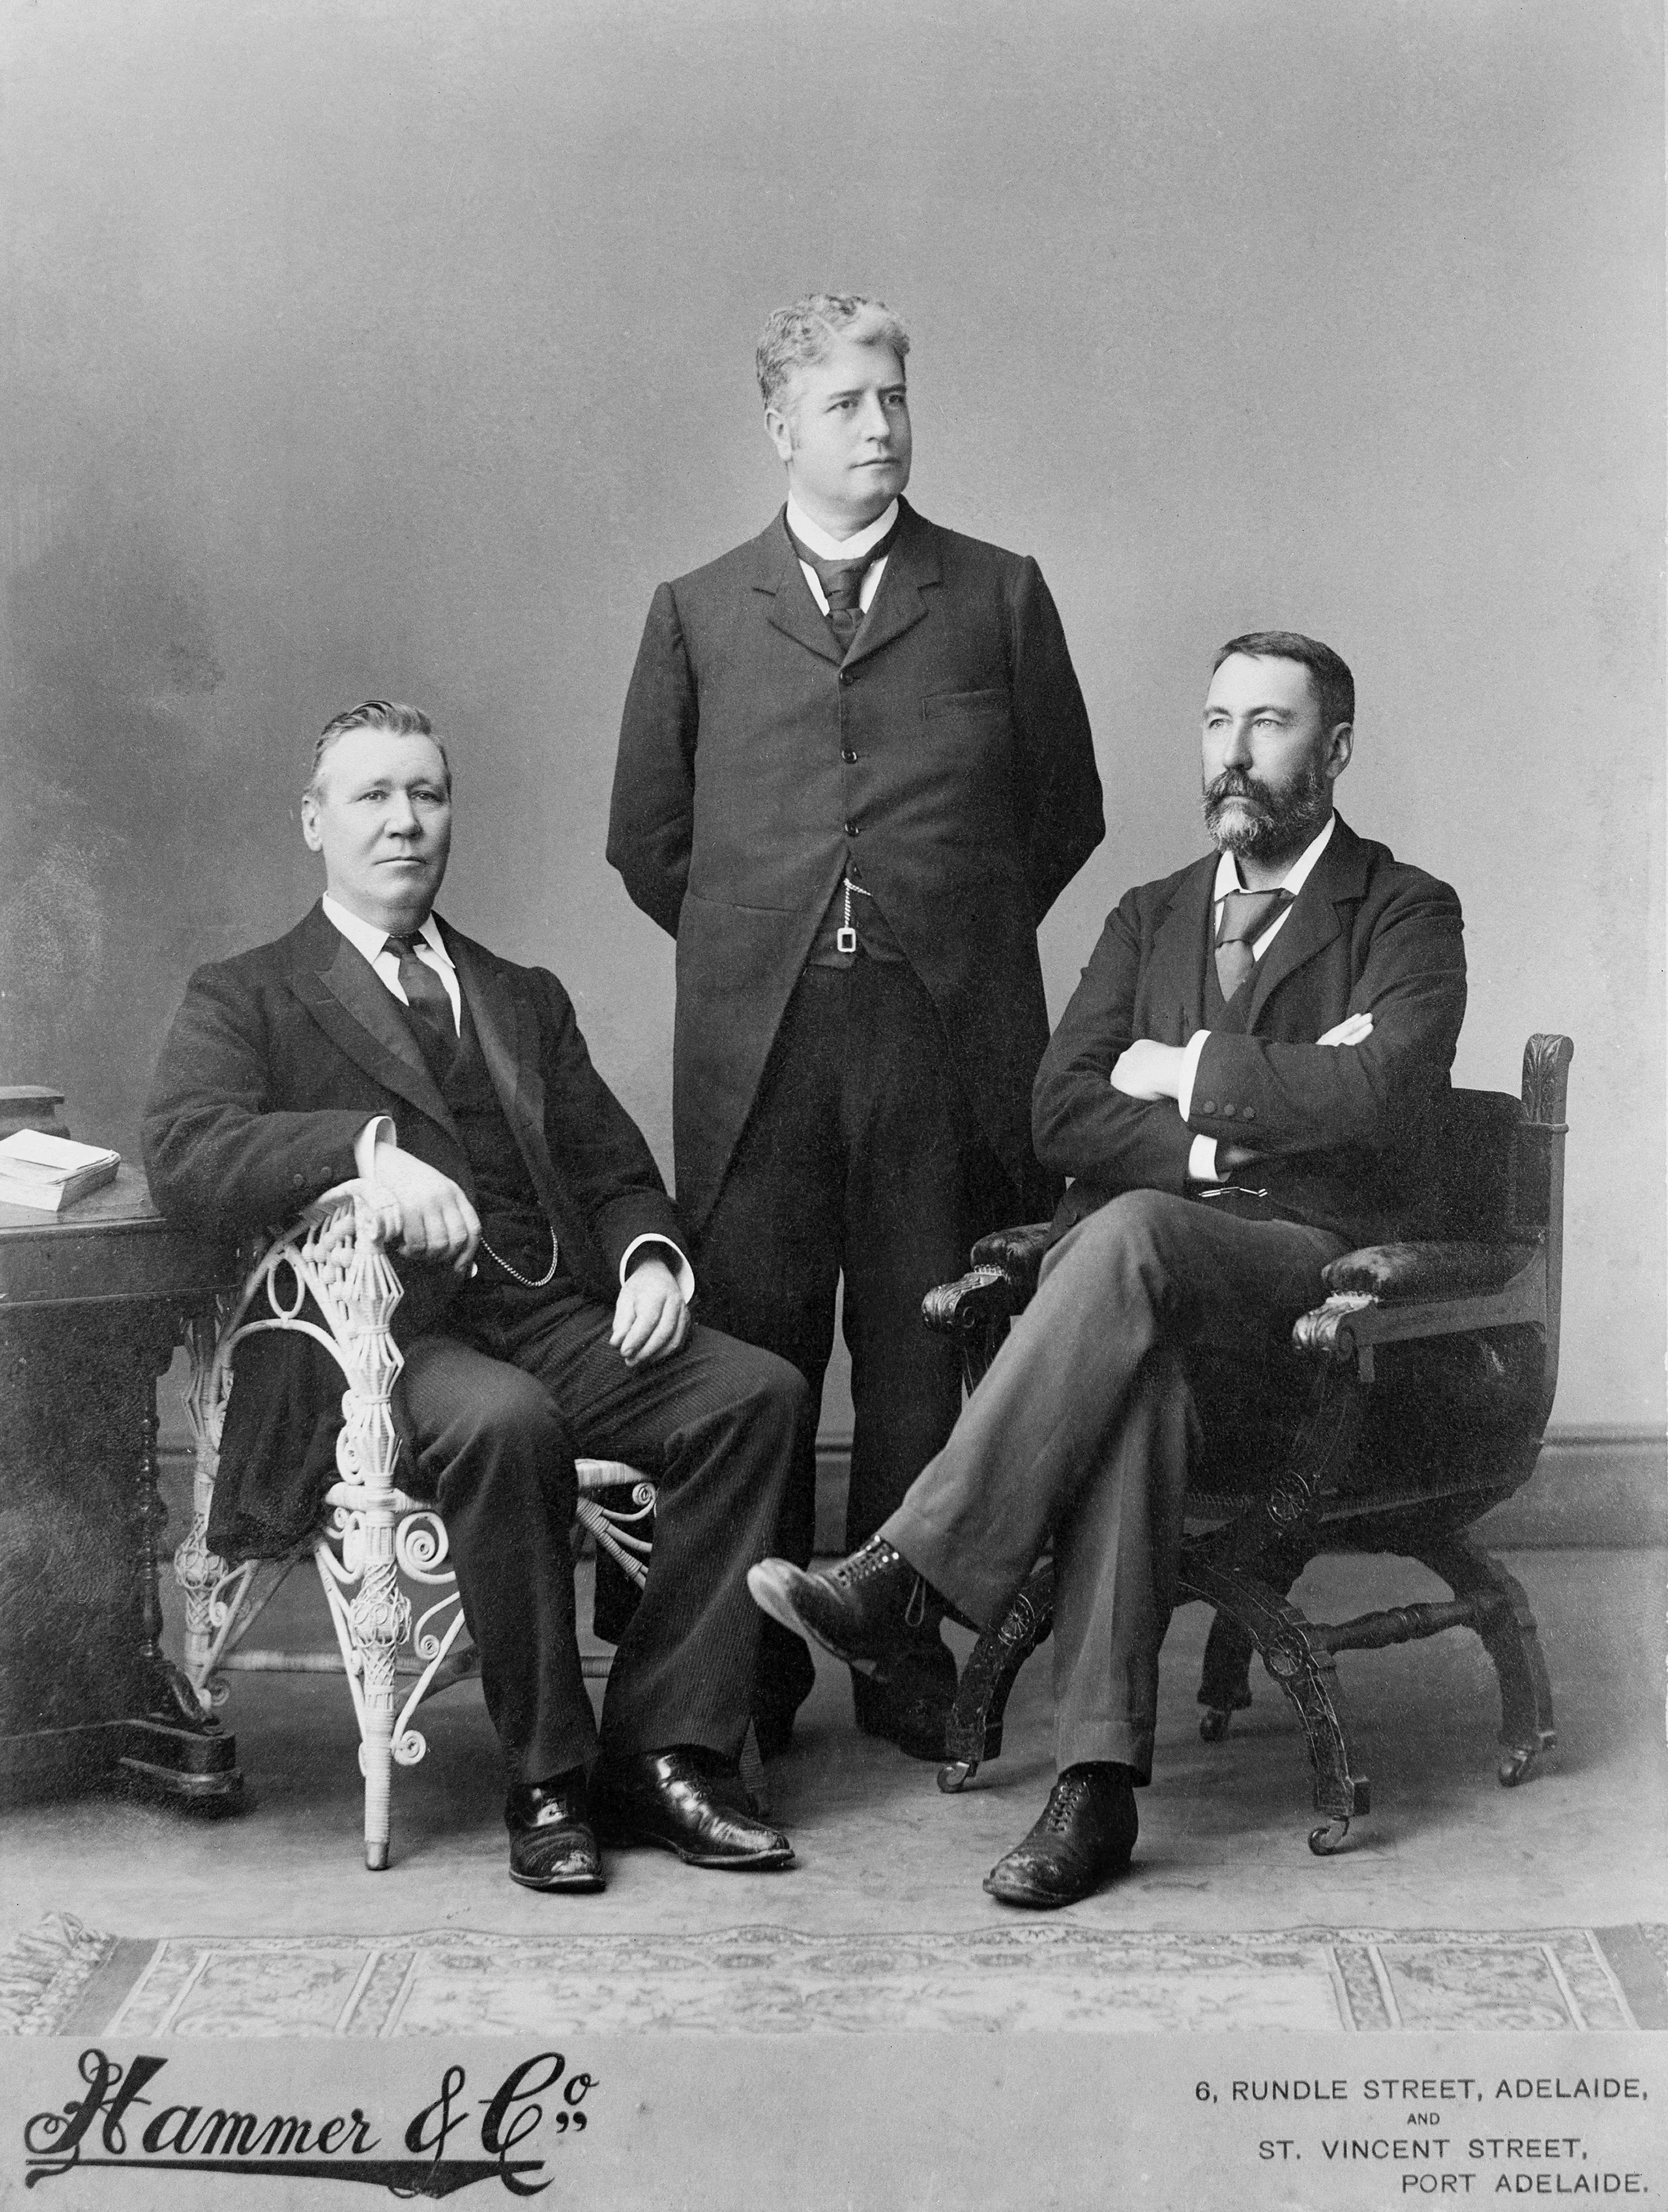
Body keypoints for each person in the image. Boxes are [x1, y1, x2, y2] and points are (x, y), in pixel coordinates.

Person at [749, 632, 1468, 1906]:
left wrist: (1176, 1066)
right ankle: (1094, 1791)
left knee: (1126, 1229)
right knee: (1137, 1366)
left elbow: (1381, 1094)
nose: (1233, 751)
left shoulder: (1406, 910)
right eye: (1214, 721)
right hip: (1142, 1307)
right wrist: (1228, 1125)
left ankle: (908, 1571)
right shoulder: (1149, 914)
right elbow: (1059, 1110)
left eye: (1270, 723)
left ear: (1336, 747)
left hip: (1303, 1287)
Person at [145, 699, 808, 1894]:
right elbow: (187, 1151)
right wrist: (360, 1148)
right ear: (314, 821)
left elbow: (610, 1170)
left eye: (428, 795)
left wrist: (652, 1254)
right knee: (507, 1422)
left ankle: (664, 1751)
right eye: (372, 797)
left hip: (548, 1315)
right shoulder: (248, 992)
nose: (405, 822)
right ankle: (548, 1778)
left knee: (753, 1392)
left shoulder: (518, 994)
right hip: (374, 1345)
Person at [608, 294, 1103, 1759]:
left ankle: (898, 1659)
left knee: (915, 1349)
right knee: (757, 1354)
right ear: (781, 426)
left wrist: (935, 930)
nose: (882, 426)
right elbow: (649, 842)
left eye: (895, 397)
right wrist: (769, 944)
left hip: (942, 1033)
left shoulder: (997, 591)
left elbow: (1060, 815)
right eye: (847, 405)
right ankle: (745, 1676)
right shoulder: (698, 609)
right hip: (759, 1044)